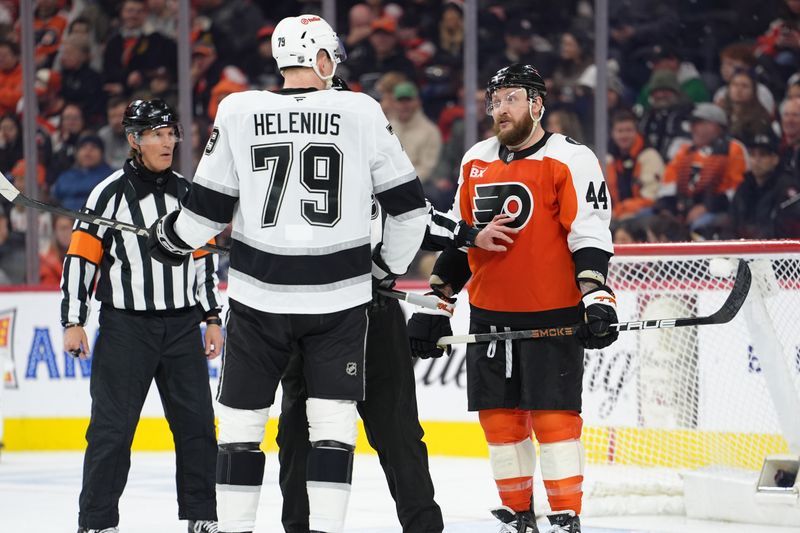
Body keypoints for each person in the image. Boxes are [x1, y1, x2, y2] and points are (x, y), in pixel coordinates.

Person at [146, 14, 428, 533]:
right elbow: (411, 213)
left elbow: (203, 216)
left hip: (258, 304)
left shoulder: (237, 108)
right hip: (339, 303)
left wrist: (168, 237)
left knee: (239, 430)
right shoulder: (361, 110)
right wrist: (382, 271)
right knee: (331, 432)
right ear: (321, 59)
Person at [276, 77, 517, 533]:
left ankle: (421, 526)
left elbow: (414, 216)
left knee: (392, 433)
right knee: (301, 434)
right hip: (316, 317)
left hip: (361, 315)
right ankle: (302, 527)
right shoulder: (301, 163)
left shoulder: (368, 158)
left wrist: (468, 235)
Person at [407, 64, 618, 533]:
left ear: (537, 104)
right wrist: (437, 302)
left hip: (553, 313)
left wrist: (597, 296)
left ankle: (564, 517)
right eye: (495, 100)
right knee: (500, 424)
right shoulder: (475, 160)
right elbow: (463, 239)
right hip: (489, 316)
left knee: (555, 420)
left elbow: (588, 234)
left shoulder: (570, 158)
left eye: (511, 99)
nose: (500, 109)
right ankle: (517, 515)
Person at [61, 99, 222, 533]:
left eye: (171, 133)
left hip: (181, 328)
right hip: (125, 329)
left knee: (197, 428)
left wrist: (211, 317)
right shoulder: (107, 195)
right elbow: (81, 259)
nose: (168, 142)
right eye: (157, 134)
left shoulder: (190, 193)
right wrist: (73, 320)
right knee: (111, 431)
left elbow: (203, 261)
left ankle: (202, 516)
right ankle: (97, 522)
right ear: (134, 140)